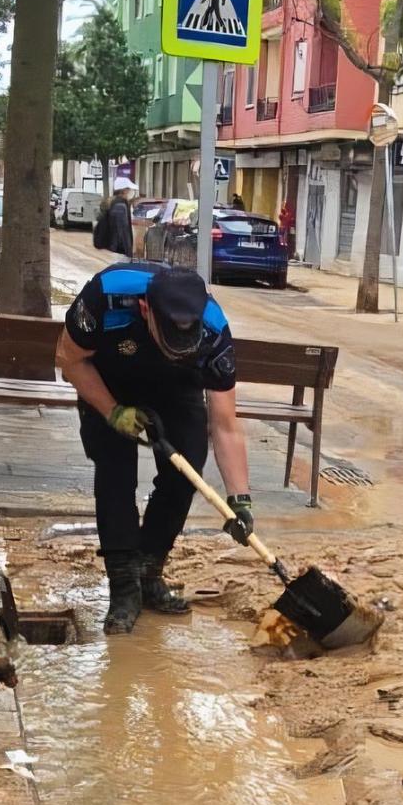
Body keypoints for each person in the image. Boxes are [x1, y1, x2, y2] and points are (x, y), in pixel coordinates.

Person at [56, 263, 254, 634]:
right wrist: (113, 412)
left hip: (177, 389)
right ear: (146, 310)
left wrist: (239, 498)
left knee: (186, 470)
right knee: (115, 474)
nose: (177, 348)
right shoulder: (106, 295)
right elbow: (68, 359)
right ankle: (124, 588)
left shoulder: (213, 329)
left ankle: (149, 571)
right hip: (107, 380)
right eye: (169, 340)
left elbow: (225, 422)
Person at [96, 177, 137, 255]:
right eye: (129, 189)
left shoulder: (116, 202)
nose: (131, 191)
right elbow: (123, 231)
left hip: (115, 248)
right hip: (120, 250)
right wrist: (128, 252)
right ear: (124, 190)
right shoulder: (120, 206)